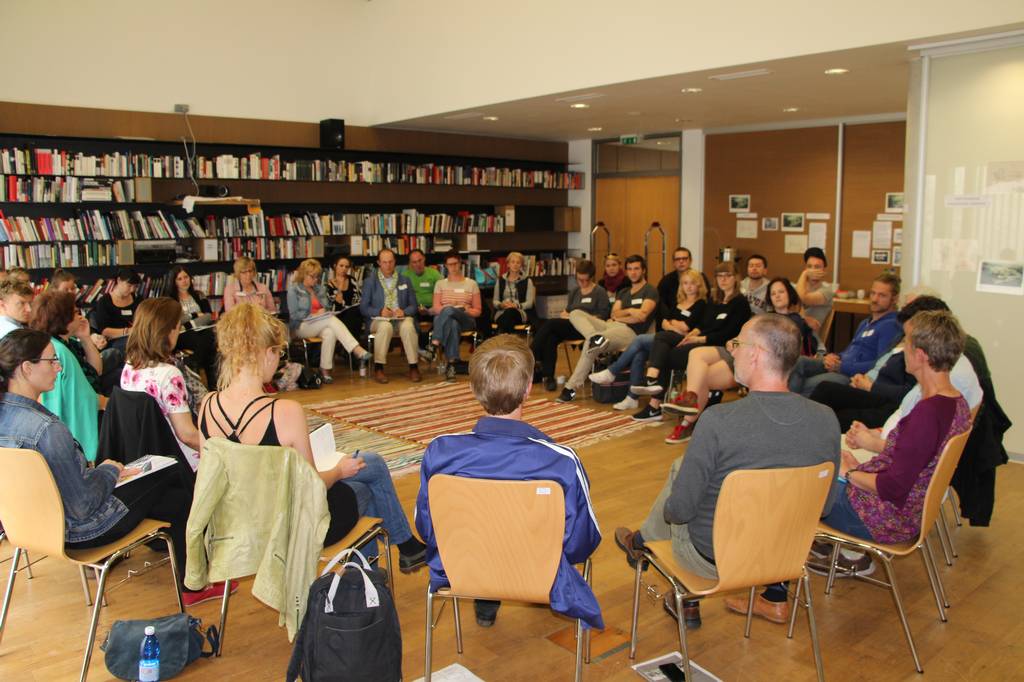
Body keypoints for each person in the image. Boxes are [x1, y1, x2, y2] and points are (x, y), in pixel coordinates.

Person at [614, 314, 841, 627]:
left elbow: (679, 512)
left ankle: (647, 547)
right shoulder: (827, 418)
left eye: (737, 344)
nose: (731, 351)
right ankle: (642, 545)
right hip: (785, 557)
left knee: (682, 476)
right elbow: (825, 506)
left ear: (756, 353)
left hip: (714, 561)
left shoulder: (719, 420)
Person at [0, 329, 229, 607]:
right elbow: (83, 505)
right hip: (82, 531)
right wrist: (108, 471)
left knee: (174, 498)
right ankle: (193, 582)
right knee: (169, 471)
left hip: (29, 527)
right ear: (26, 368)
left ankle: (191, 579)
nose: (58, 368)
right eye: (52, 361)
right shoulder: (46, 429)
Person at [202, 303, 426, 570]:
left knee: (370, 464)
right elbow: (313, 486)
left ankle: (383, 567)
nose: (279, 360)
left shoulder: (208, 405)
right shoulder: (285, 411)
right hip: (293, 527)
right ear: (264, 354)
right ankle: (375, 573)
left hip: (240, 522)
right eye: (278, 352)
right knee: (365, 485)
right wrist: (339, 471)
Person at [415, 335, 603, 629]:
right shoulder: (562, 462)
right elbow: (583, 542)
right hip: (538, 574)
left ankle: (486, 600)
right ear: (528, 388)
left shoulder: (439, 453)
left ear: (473, 388)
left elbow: (428, 528)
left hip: (465, 568)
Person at [813, 311, 971, 561]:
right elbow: (913, 458)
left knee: (795, 482)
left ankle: (777, 581)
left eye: (905, 343)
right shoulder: (955, 402)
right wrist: (860, 468)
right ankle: (824, 547)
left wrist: (849, 473)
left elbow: (893, 488)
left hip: (880, 518)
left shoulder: (928, 413)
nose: (901, 349)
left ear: (920, 355)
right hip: (902, 512)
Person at [808, 296, 950, 431]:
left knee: (831, 404)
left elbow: (906, 393)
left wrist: (871, 385)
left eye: (909, 339)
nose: (906, 343)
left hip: (885, 398)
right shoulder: (900, 338)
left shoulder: (925, 357)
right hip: (872, 385)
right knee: (824, 391)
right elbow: (878, 362)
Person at [631, 262, 750, 422]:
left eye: (727, 276)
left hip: (720, 347)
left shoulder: (740, 303)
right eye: (720, 276)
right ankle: (654, 401)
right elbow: (703, 325)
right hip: (702, 342)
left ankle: (654, 401)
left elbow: (729, 332)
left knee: (665, 350)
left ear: (735, 278)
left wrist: (698, 338)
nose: (723, 280)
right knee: (664, 345)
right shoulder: (715, 301)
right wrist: (691, 335)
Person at [589, 268, 707, 412]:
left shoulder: (702, 304)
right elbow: (664, 322)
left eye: (692, 283)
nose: (688, 287)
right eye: (685, 283)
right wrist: (674, 326)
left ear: (699, 285)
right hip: (665, 340)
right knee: (640, 353)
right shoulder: (678, 303)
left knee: (640, 340)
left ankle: (612, 371)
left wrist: (672, 325)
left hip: (683, 342)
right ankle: (632, 398)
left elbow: (686, 327)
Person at [557, 254, 658, 403]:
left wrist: (624, 314)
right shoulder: (624, 292)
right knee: (575, 313)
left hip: (630, 332)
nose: (633, 272)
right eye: (629, 269)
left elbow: (642, 316)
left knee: (589, 344)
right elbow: (613, 313)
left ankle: (570, 388)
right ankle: (594, 336)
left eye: (636, 269)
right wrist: (630, 312)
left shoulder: (650, 290)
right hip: (610, 325)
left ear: (643, 271)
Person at [789, 273, 901, 397]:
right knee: (796, 362)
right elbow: (851, 350)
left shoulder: (890, 326)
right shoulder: (865, 322)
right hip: (839, 364)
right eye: (873, 293)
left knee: (808, 384)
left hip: (851, 375)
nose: (874, 299)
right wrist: (834, 356)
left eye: (882, 295)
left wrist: (842, 367)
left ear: (894, 299)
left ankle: (789, 404)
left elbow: (880, 364)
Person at [121, 298, 201, 471]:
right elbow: (187, 435)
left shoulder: (129, 366)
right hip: (180, 460)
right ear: (169, 331)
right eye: (178, 327)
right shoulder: (169, 374)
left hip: (148, 457)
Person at [29, 291, 102, 461]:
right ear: (63, 319)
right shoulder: (57, 350)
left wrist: (85, 338)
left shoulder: (62, 344)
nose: (80, 316)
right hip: (80, 421)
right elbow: (82, 396)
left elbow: (96, 371)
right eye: (76, 312)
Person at [287, 258, 370, 383]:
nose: (315, 280)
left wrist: (324, 311)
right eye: (312, 277)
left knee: (330, 332)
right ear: (304, 274)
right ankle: (357, 350)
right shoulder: (293, 290)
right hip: (301, 326)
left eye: (317, 277)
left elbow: (327, 307)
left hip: (320, 323)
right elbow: (294, 315)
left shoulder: (319, 289)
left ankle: (325, 370)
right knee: (331, 320)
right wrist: (313, 314)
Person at [531, 259, 609, 391]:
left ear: (591, 277)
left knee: (550, 323)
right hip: (571, 325)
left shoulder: (599, 292)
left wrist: (582, 317)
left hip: (588, 329)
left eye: (585, 280)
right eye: (579, 280)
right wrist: (570, 316)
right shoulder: (575, 292)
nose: (582, 283)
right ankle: (549, 377)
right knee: (551, 337)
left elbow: (603, 316)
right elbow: (565, 312)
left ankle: (530, 354)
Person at [359, 248, 421, 383]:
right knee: (385, 326)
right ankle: (379, 368)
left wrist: (404, 312)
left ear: (395, 262)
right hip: (379, 319)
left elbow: (414, 306)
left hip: (400, 318)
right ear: (379, 263)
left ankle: (413, 366)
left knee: (408, 326)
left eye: (390, 262)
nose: (388, 265)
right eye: (384, 262)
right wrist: (379, 311)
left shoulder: (405, 280)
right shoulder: (370, 282)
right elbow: (363, 308)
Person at [424, 250, 482, 381]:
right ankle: (451, 366)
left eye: (455, 264)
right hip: (448, 319)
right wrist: (448, 308)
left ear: (460, 263)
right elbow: (436, 308)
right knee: (452, 323)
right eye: (450, 265)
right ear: (446, 266)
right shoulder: (440, 284)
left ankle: (434, 343)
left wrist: (465, 310)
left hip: (466, 319)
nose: (453, 267)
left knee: (449, 312)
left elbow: (478, 311)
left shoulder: (471, 284)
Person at [169, 265, 218, 389]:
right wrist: (195, 314)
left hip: (201, 331)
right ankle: (212, 387)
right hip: (181, 335)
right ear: (174, 282)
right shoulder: (170, 300)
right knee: (208, 344)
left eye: (186, 277)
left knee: (208, 338)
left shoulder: (199, 295)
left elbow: (208, 316)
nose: (184, 281)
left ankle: (195, 364)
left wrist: (187, 322)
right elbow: (174, 321)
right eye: (179, 279)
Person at [91, 268, 140, 352]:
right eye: (129, 285)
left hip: (136, 337)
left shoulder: (137, 299)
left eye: (135, 286)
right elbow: (104, 331)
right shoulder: (104, 301)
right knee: (135, 343)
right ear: (119, 280)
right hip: (114, 341)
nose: (132, 290)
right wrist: (128, 331)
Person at [656, 247, 711, 323]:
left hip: (695, 319)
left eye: (684, 258)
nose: (681, 261)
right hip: (671, 319)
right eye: (677, 259)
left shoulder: (700, 277)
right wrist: (669, 319)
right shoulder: (666, 280)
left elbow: (706, 298)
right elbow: (661, 303)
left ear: (690, 261)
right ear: (673, 263)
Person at [765, 277, 816, 356]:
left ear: (789, 294)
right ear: (770, 298)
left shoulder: (796, 320)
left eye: (781, 292)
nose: (777, 296)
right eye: (773, 294)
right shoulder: (765, 318)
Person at [492, 251, 536, 334]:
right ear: (508, 264)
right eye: (513, 262)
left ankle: (503, 339)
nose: (515, 265)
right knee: (508, 317)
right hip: (502, 312)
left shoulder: (527, 281)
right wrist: (501, 305)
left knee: (510, 312)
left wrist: (517, 305)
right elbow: (495, 301)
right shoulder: (500, 280)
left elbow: (530, 303)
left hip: (520, 313)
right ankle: (510, 341)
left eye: (518, 263)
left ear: (521, 265)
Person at [795, 247, 835, 338]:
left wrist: (804, 274)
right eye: (809, 267)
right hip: (793, 334)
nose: (812, 270)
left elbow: (803, 298)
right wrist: (803, 318)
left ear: (824, 270)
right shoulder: (798, 287)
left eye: (817, 267)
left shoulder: (827, 291)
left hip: (809, 340)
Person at [324, 254, 363, 341]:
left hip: (354, 313)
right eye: (341, 266)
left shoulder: (352, 280)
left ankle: (349, 350)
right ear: (335, 266)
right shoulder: (328, 286)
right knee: (352, 316)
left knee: (354, 313)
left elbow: (359, 298)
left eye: (346, 267)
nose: (344, 269)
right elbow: (332, 307)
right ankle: (352, 349)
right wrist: (339, 295)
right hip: (338, 315)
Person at [404, 248, 442, 316]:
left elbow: (442, 293)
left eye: (420, 260)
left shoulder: (434, 274)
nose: (418, 264)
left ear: (424, 259)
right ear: (410, 263)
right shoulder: (405, 276)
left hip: (432, 308)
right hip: (413, 308)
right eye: (414, 262)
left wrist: (431, 309)